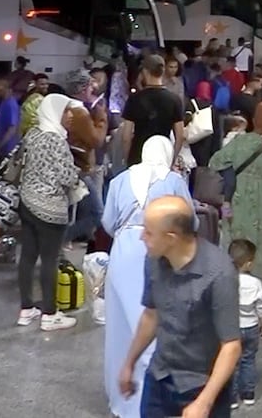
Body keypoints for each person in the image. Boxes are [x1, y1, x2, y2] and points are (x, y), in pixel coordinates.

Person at [119, 196, 241, 418]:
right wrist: (129, 363)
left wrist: (204, 403)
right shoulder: (154, 260)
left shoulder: (219, 274)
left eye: (148, 232)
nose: (141, 237)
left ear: (171, 237)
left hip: (201, 384)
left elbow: (231, 346)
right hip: (161, 375)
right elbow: (151, 315)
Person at [102, 136, 194, 418]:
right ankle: (152, 400)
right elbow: (191, 221)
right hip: (159, 253)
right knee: (153, 321)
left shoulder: (120, 180)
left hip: (123, 251)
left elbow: (107, 222)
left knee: (121, 327)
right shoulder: (174, 181)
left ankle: (122, 399)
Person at [16, 93, 84, 332]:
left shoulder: (32, 134)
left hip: (27, 203)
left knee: (27, 257)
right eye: (66, 111)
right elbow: (67, 177)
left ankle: (26, 310)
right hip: (50, 209)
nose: (70, 115)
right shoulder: (57, 140)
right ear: (55, 112)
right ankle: (49, 313)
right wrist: (76, 173)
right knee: (50, 260)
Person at [208, 101, 262, 299]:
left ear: (255, 118)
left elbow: (215, 161)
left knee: (234, 234)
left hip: (237, 195)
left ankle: (232, 279)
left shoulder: (241, 141)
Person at [121, 54, 186, 167]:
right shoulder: (174, 99)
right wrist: (171, 160)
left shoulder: (134, 99)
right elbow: (180, 136)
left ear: (145, 72)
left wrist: (128, 160)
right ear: (163, 71)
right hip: (162, 157)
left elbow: (126, 136)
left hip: (138, 157)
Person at [229, 239, 262, 409]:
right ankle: (248, 394)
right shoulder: (255, 284)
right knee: (249, 359)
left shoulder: (227, 280)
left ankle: (231, 398)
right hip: (251, 327)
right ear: (249, 263)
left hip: (232, 327)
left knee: (231, 362)